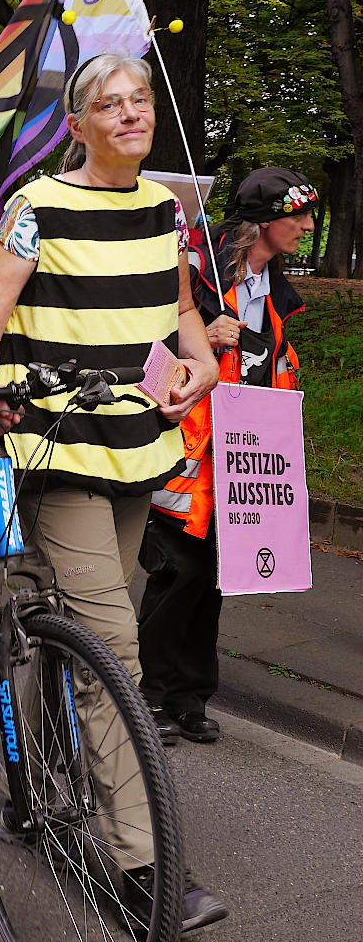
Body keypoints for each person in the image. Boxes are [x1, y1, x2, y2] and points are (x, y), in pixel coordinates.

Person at [0, 52, 227, 932]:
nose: (128, 112)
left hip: (135, 451)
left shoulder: (164, 210)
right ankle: (145, 862)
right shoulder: (36, 209)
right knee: (111, 641)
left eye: (140, 98)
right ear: (77, 126)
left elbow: (180, 314)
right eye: (108, 103)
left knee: (75, 633)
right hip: (55, 451)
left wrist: (200, 365)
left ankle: (32, 787)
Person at [138, 166, 317, 744]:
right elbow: (144, 361)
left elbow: (273, 371)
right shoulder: (196, 279)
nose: (308, 226)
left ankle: (191, 697)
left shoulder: (274, 293)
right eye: (298, 215)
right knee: (175, 578)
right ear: (264, 222)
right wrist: (195, 341)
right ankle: (149, 698)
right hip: (187, 465)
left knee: (215, 581)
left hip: (240, 467)